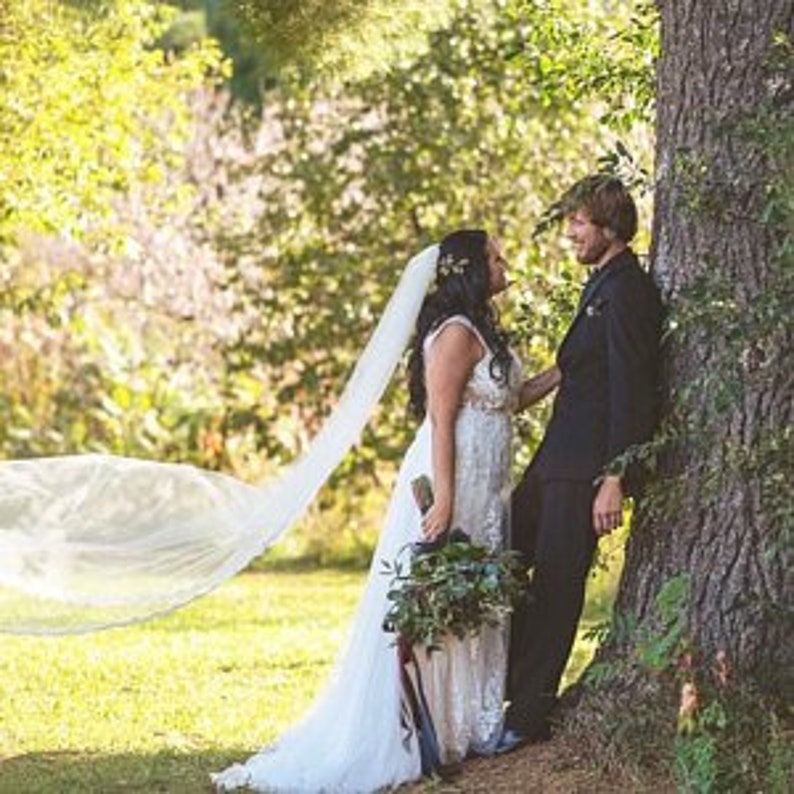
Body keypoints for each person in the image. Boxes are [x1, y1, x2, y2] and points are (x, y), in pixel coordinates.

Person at [212, 230, 558, 791]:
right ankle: (424, 725)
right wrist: (444, 499)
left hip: (487, 485)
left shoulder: (484, 331)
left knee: (474, 594)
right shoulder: (453, 334)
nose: (504, 263)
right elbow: (443, 420)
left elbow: (511, 399)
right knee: (443, 593)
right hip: (455, 476)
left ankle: (469, 721)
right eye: (495, 256)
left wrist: (566, 368)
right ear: (469, 269)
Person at [498, 176, 662, 752]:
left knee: (559, 586)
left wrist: (614, 476)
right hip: (552, 462)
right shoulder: (601, 285)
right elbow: (581, 369)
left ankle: (528, 714)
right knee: (503, 561)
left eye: (579, 222)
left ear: (610, 227)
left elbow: (632, 388)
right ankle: (496, 686)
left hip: (585, 468)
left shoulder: (628, 291)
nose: (569, 232)